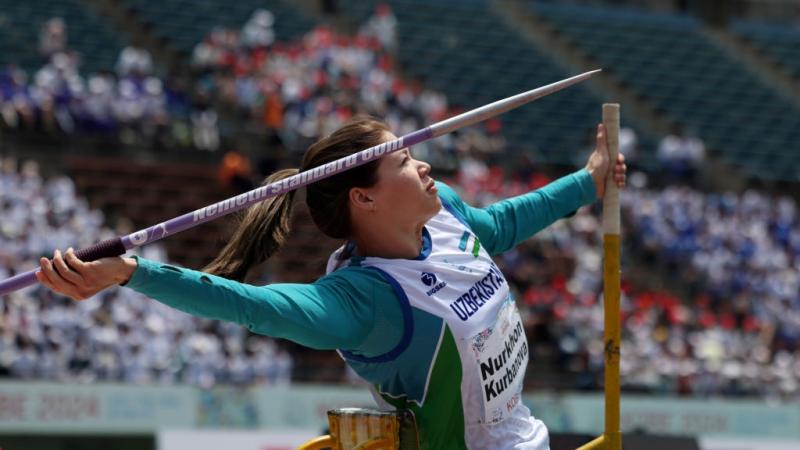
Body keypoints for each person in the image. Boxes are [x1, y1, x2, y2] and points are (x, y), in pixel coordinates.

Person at [36, 117, 626, 449]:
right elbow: (252, 305)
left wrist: (588, 179)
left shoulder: (441, 209)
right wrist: (132, 272)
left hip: (529, 437)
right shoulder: (365, 301)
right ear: (363, 197)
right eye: (403, 160)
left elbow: (502, 222)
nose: (424, 163)